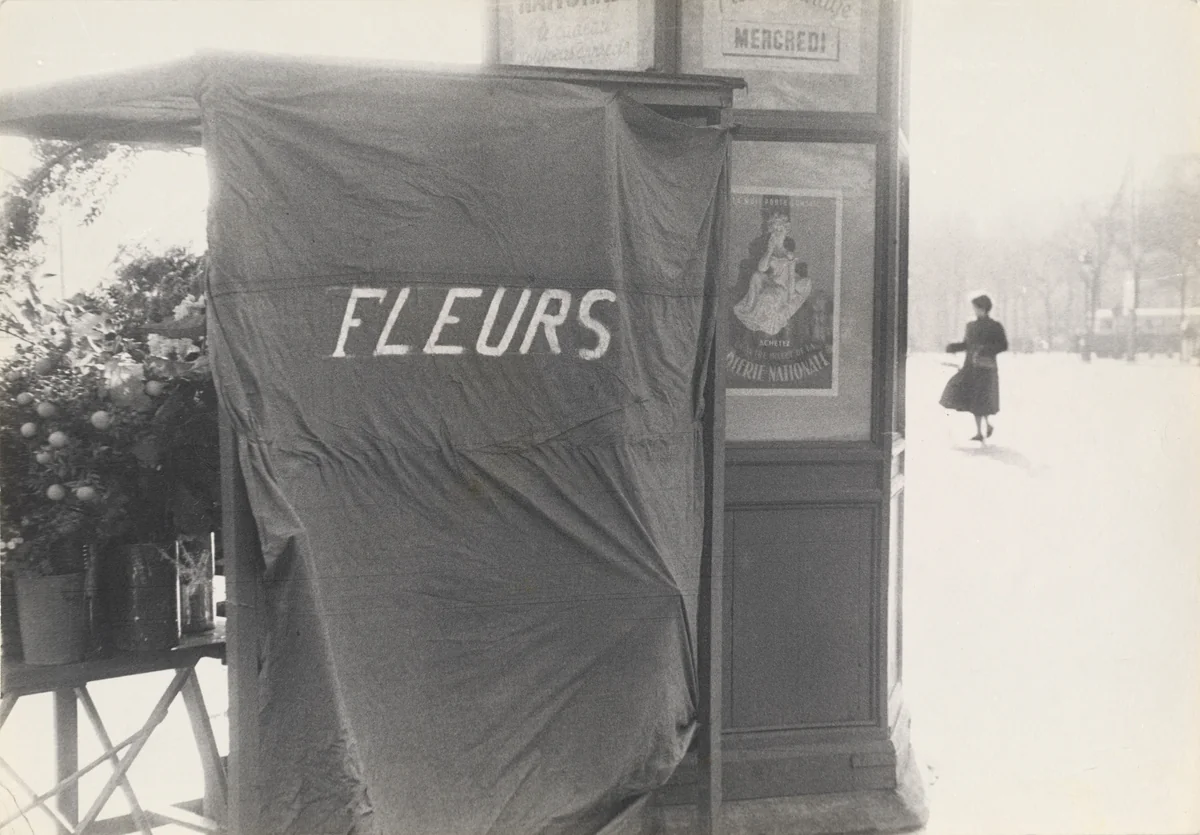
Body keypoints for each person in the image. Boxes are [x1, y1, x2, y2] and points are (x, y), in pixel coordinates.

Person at [940, 293, 1008, 441]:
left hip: (986, 367)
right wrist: (953, 347)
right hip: (970, 367)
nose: (975, 310)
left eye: (976, 307)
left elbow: (1003, 345)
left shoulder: (995, 326)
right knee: (974, 398)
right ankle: (981, 430)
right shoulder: (971, 326)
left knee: (982, 399)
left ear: (983, 308)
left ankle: (984, 427)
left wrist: (986, 349)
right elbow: (967, 344)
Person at [733, 213, 812, 336]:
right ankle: (750, 307)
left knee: (769, 294)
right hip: (772, 282)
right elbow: (761, 268)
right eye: (775, 229)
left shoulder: (788, 255)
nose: (778, 232)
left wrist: (789, 298)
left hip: (783, 288)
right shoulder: (770, 251)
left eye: (781, 229)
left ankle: (768, 323)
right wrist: (769, 250)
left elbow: (791, 277)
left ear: (786, 231)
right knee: (756, 276)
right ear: (771, 231)